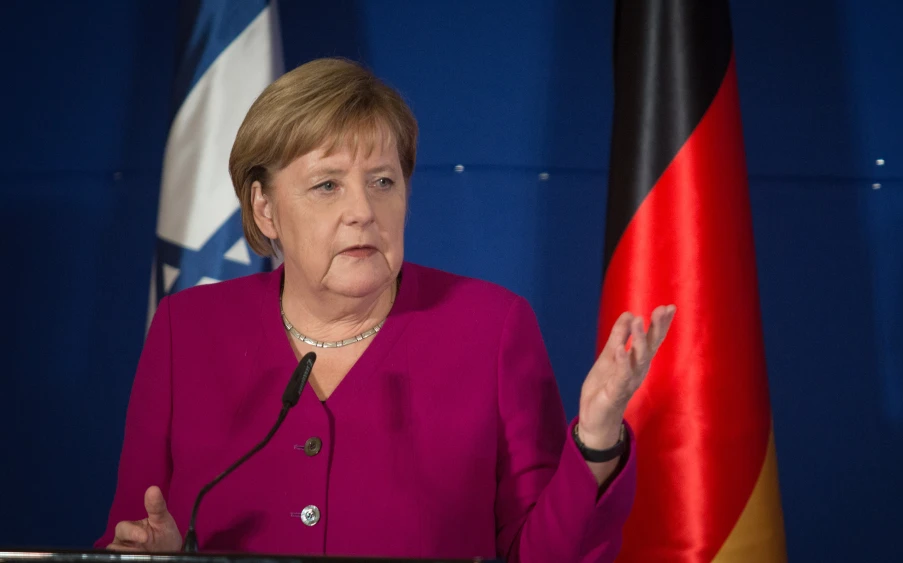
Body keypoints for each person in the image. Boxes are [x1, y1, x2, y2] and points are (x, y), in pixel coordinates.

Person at [96, 57, 675, 562]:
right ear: (265, 208)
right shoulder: (186, 331)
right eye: (327, 185)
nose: (363, 211)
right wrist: (154, 557)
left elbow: (542, 554)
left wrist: (596, 440)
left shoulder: (492, 330)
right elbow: (130, 534)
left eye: (382, 181)